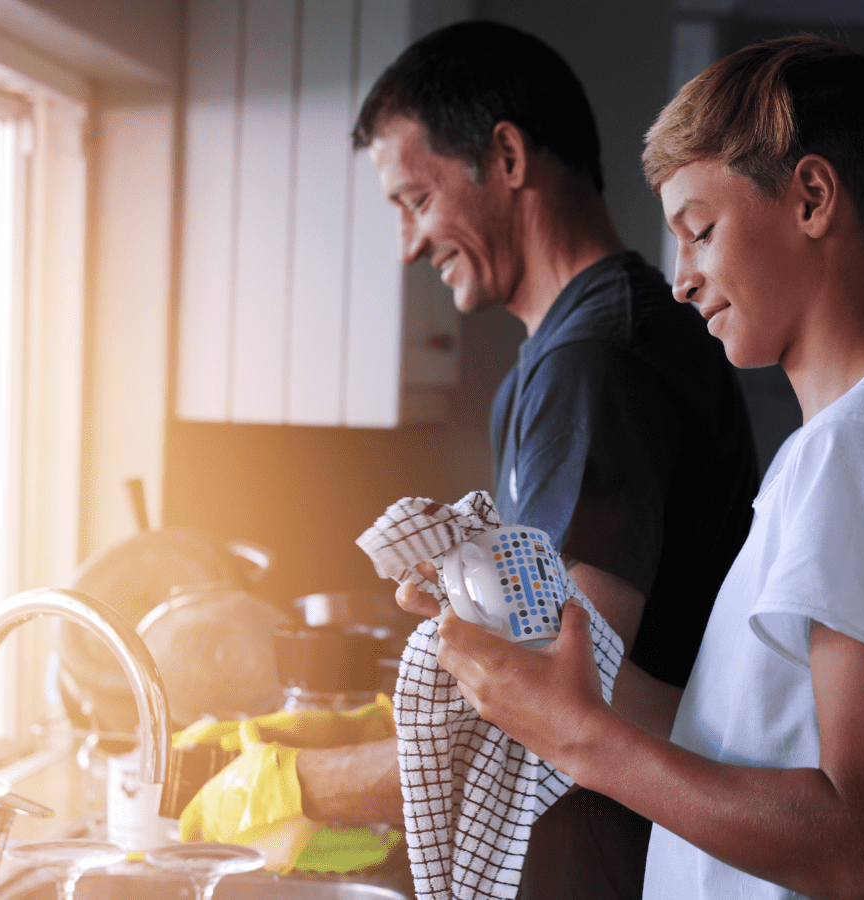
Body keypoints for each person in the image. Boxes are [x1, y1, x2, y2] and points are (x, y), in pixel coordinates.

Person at [428, 34, 864, 900]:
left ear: (812, 197)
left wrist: (582, 743)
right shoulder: (859, 442)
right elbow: (727, 744)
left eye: (700, 231)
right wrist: (521, 644)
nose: (682, 280)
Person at [272, 20, 760, 899]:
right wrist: (315, 738)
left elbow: (543, 702)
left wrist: (295, 786)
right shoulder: (569, 352)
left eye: (415, 201)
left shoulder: (598, 360)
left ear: (505, 156)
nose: (409, 245)